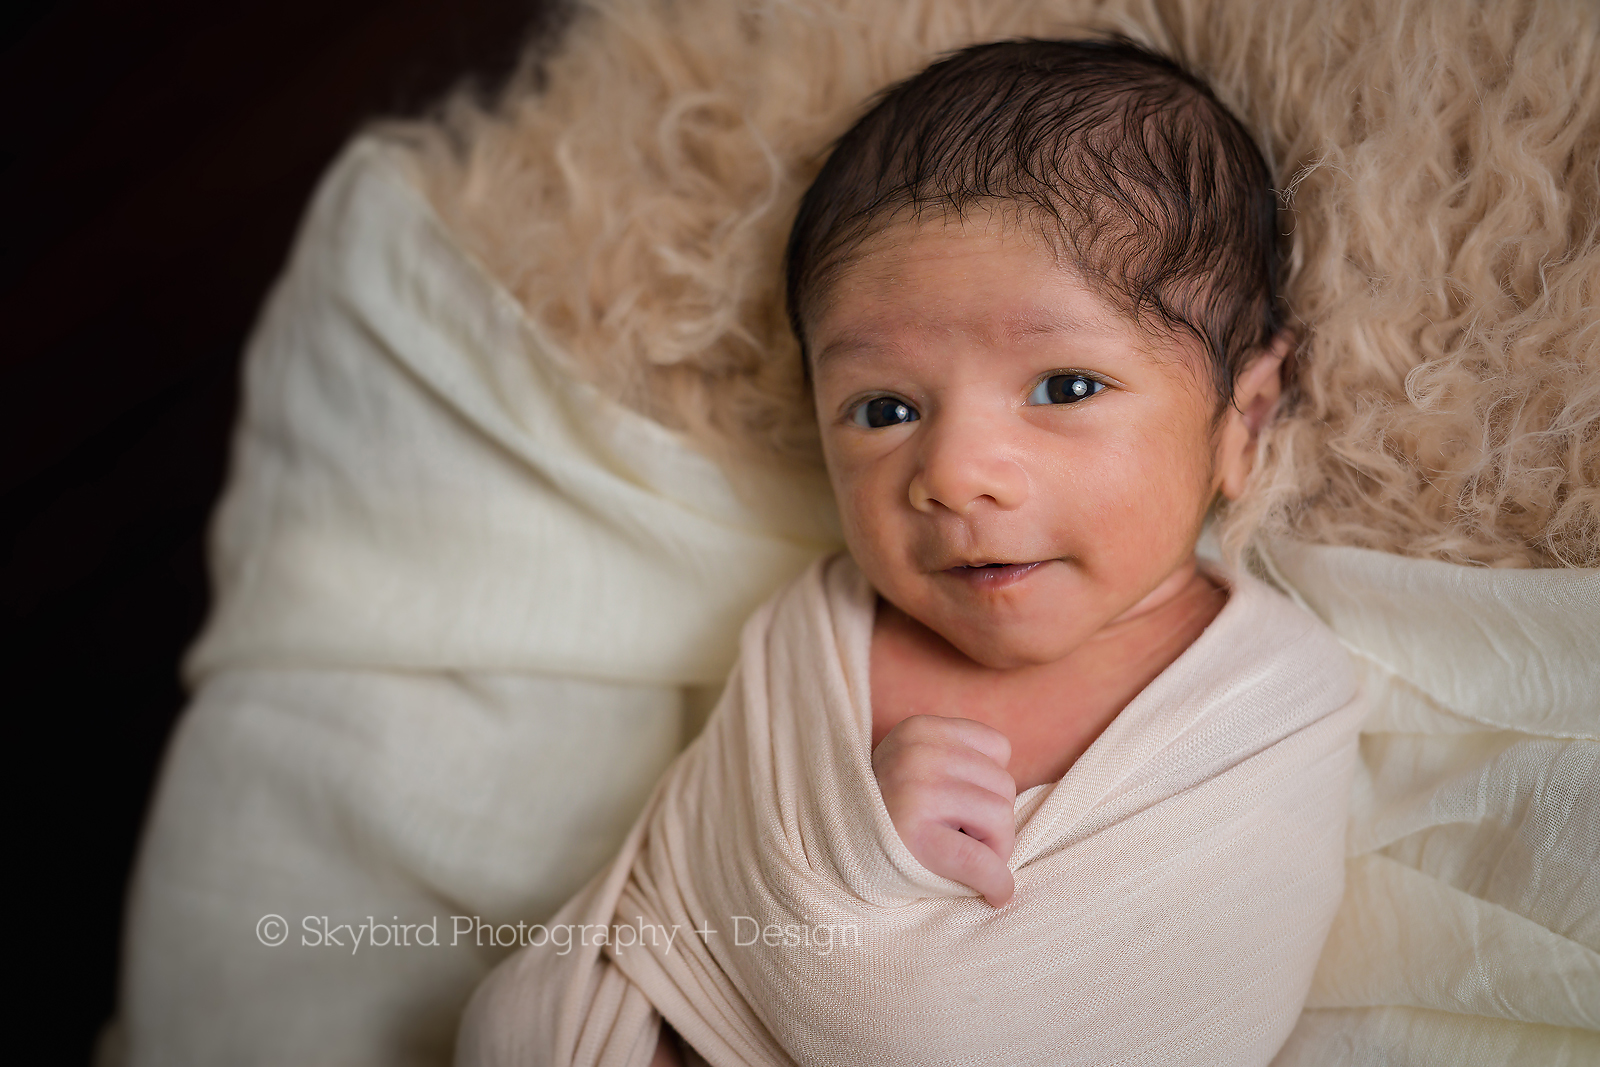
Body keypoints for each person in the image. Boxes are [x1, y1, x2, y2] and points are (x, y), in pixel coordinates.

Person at [458, 38, 1364, 1067]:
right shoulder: (821, 630)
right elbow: (662, 920)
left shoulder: (1269, 698)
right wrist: (848, 849)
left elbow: (1096, 1022)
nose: (953, 471)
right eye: (884, 407)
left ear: (1242, 420)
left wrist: (864, 884)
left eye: (1064, 386)